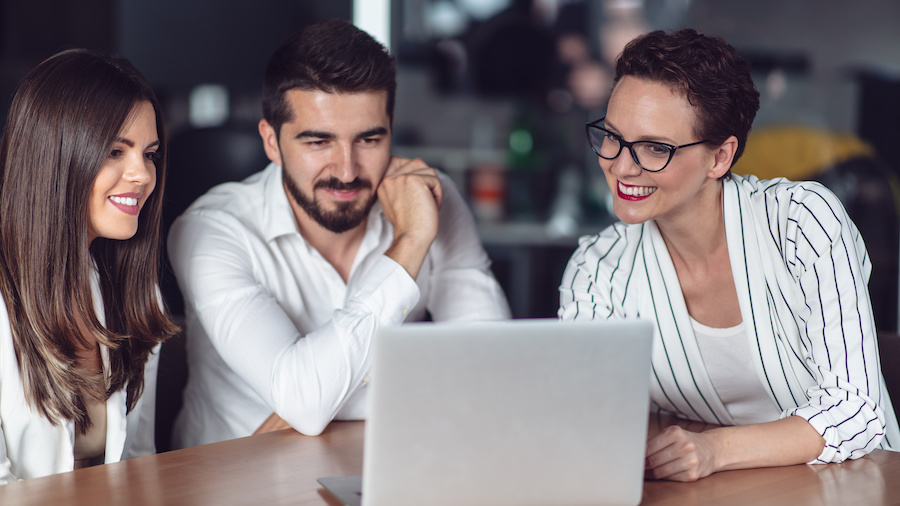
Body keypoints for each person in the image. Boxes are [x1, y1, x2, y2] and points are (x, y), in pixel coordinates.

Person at [558, 28, 900, 482]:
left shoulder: (799, 223)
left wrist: (713, 448)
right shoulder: (596, 271)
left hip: (852, 486)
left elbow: (857, 410)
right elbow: (585, 418)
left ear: (720, 158)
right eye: (612, 136)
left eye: (655, 148)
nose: (620, 165)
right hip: (717, 494)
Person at [169, 19, 510, 448]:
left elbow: (495, 368)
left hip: (384, 469)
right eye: (318, 142)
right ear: (271, 142)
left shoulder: (429, 198)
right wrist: (409, 244)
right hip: (239, 483)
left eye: (368, 140)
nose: (347, 171)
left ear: (391, 129)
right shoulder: (211, 230)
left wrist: (315, 394)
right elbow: (307, 405)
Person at [0, 49, 178, 483]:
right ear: (54, 157)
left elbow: (139, 464)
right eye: (116, 151)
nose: (142, 175)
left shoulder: (135, 293)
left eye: (149, 154)